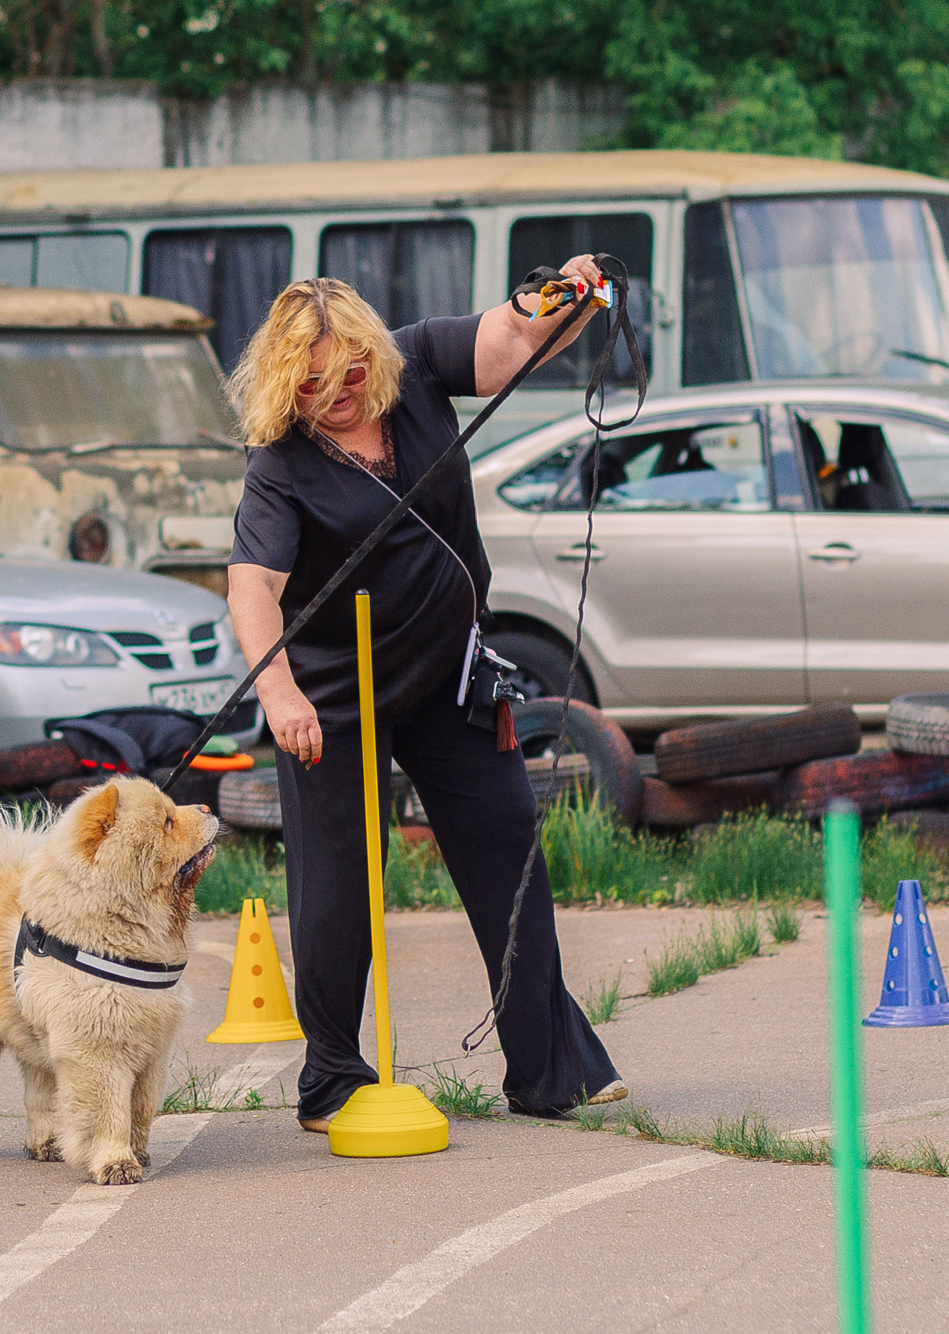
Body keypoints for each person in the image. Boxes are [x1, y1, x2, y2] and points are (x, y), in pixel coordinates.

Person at [225, 265, 628, 1128]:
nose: (334, 395)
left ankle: (548, 1067)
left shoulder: (416, 362)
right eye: (310, 384)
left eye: (348, 376)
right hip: (333, 699)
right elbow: (253, 587)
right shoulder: (279, 464)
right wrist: (281, 696)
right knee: (337, 888)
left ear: (373, 354)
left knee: (507, 839)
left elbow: (516, 336)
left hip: (450, 672)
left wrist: (562, 300)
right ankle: (331, 1078)